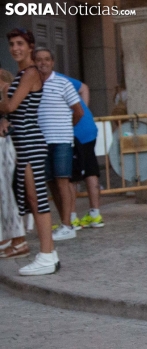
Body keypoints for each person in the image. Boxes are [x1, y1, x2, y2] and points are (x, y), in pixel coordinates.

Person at [0, 29, 58, 275]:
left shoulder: (30, 73)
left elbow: (11, 106)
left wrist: (3, 91)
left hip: (31, 141)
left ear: (30, 46)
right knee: (33, 199)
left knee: (38, 199)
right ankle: (47, 254)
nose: (15, 48)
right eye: (12, 44)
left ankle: (47, 254)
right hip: (24, 143)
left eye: (20, 43)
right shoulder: (24, 73)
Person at [34, 47, 83, 241]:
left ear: (53, 62)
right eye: (39, 59)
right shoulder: (32, 84)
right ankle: (63, 222)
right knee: (51, 183)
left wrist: (66, 129)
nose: (43, 63)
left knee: (63, 181)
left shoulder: (63, 83)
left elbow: (78, 111)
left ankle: (67, 224)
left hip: (61, 140)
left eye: (46, 59)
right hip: (41, 141)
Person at [56, 71, 104, 229]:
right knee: (90, 170)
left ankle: (72, 218)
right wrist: (85, 111)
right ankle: (95, 215)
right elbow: (84, 88)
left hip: (73, 130)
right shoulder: (61, 77)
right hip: (87, 127)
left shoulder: (48, 80)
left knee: (70, 175)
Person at [0, 65, 27, 258]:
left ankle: (18, 240)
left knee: (8, 193)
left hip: (5, 145)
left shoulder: (7, 87)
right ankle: (7, 238)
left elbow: (12, 110)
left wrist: (3, 118)